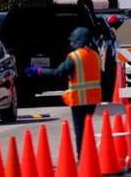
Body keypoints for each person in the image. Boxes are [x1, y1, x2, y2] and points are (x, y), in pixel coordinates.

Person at [25, 27, 102, 155]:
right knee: (87, 129)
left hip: (79, 100)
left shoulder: (75, 57)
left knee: (80, 130)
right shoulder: (95, 55)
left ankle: (82, 158)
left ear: (77, 41)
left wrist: (39, 71)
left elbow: (59, 73)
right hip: (93, 99)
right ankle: (90, 156)